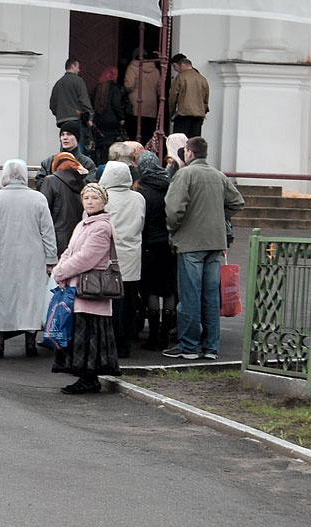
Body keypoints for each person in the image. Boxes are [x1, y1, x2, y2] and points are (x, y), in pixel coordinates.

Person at [163, 136, 245, 360]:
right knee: (211, 297)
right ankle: (211, 347)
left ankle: (188, 346)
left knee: (190, 296)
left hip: (190, 243)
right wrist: (219, 217)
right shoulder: (219, 175)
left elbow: (173, 210)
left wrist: (174, 229)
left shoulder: (185, 174)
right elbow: (238, 202)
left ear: (188, 153)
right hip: (216, 242)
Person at [0, 159, 57, 358]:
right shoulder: (38, 199)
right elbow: (48, 232)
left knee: (2, 298)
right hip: (33, 257)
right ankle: (30, 342)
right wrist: (51, 259)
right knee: (31, 297)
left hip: (2, 257)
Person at [51, 183, 121, 394]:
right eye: (87, 198)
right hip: (77, 288)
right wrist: (60, 268)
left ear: (104, 201)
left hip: (90, 289)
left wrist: (61, 272)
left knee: (90, 335)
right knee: (81, 334)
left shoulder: (101, 226)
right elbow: (69, 251)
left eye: (95, 198)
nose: (90, 202)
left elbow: (86, 259)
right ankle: (85, 377)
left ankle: (89, 378)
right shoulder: (83, 224)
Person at [98, 160, 145, 358]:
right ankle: (124, 343)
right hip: (132, 255)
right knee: (128, 302)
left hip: (108, 256)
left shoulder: (103, 198)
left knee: (108, 304)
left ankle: (107, 344)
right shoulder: (138, 198)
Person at [135, 150, 177, 351]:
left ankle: (153, 336)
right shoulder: (169, 185)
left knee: (151, 290)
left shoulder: (143, 192)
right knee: (169, 289)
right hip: (169, 244)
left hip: (149, 244)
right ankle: (165, 334)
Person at [39, 151, 88, 255]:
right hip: (78, 237)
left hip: (55, 238)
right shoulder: (82, 182)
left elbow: (43, 210)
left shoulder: (50, 181)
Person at [35, 122, 97, 189]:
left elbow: (87, 186)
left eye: (69, 134)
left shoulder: (87, 163)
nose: (65, 137)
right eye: (62, 135)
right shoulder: (48, 162)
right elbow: (40, 182)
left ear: (77, 137)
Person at [49, 58, 93, 142]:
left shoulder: (58, 83)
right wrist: (90, 116)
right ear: (72, 66)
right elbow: (84, 100)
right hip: (76, 118)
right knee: (76, 144)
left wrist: (59, 114)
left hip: (62, 120)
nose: (79, 70)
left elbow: (52, 105)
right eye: (78, 67)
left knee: (65, 142)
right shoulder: (78, 81)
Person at [124, 48, 161, 143]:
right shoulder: (156, 70)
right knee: (148, 134)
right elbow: (160, 90)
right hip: (151, 106)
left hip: (136, 105)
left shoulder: (132, 67)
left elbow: (129, 85)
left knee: (135, 133)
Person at [90, 66, 125, 166]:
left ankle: (98, 163)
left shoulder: (97, 88)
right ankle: (109, 164)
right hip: (112, 121)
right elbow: (116, 105)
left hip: (99, 120)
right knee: (111, 144)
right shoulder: (115, 89)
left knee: (99, 143)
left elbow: (92, 103)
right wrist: (121, 117)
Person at [169, 54, 209, 138]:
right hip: (198, 116)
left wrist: (171, 113)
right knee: (194, 142)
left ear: (182, 66)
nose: (175, 69)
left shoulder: (180, 77)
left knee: (180, 142)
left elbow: (173, 97)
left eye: (175, 66)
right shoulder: (202, 78)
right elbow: (206, 99)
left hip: (183, 114)